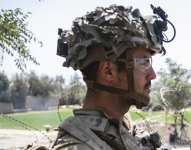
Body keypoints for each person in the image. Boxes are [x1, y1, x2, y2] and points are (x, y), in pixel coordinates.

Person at [51, 4, 176, 150]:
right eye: (144, 62)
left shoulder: (121, 129)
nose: (153, 75)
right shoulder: (79, 145)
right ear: (108, 71)